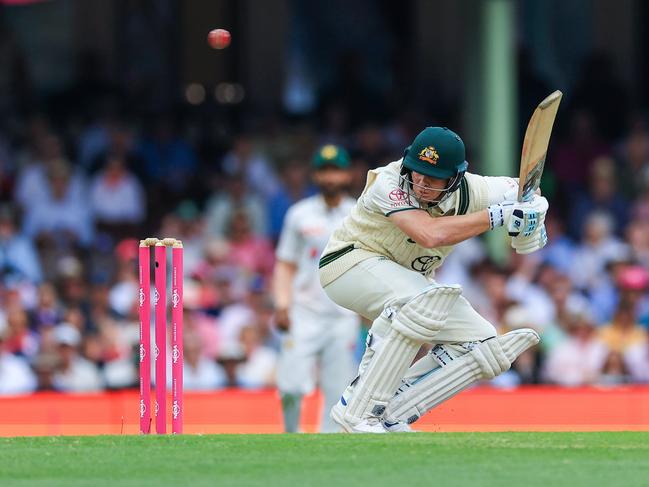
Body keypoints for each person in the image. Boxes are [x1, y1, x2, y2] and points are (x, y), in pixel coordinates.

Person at [318, 127, 548, 433]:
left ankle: (388, 410)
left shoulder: (474, 189)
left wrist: (533, 214)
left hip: (408, 285)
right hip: (348, 265)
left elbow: (527, 192)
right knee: (420, 302)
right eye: (417, 172)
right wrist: (497, 216)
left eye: (432, 177)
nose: (421, 183)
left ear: (455, 178)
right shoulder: (389, 183)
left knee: (481, 344)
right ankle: (358, 404)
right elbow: (429, 234)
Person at [273, 145, 360, 433]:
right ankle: (290, 440)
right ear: (315, 175)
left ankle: (327, 457)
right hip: (303, 312)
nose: (330, 177)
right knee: (290, 386)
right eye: (324, 170)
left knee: (337, 392)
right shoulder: (299, 214)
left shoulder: (359, 215)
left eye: (336, 170)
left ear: (347, 175)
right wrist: (282, 305)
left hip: (343, 315)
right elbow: (285, 265)